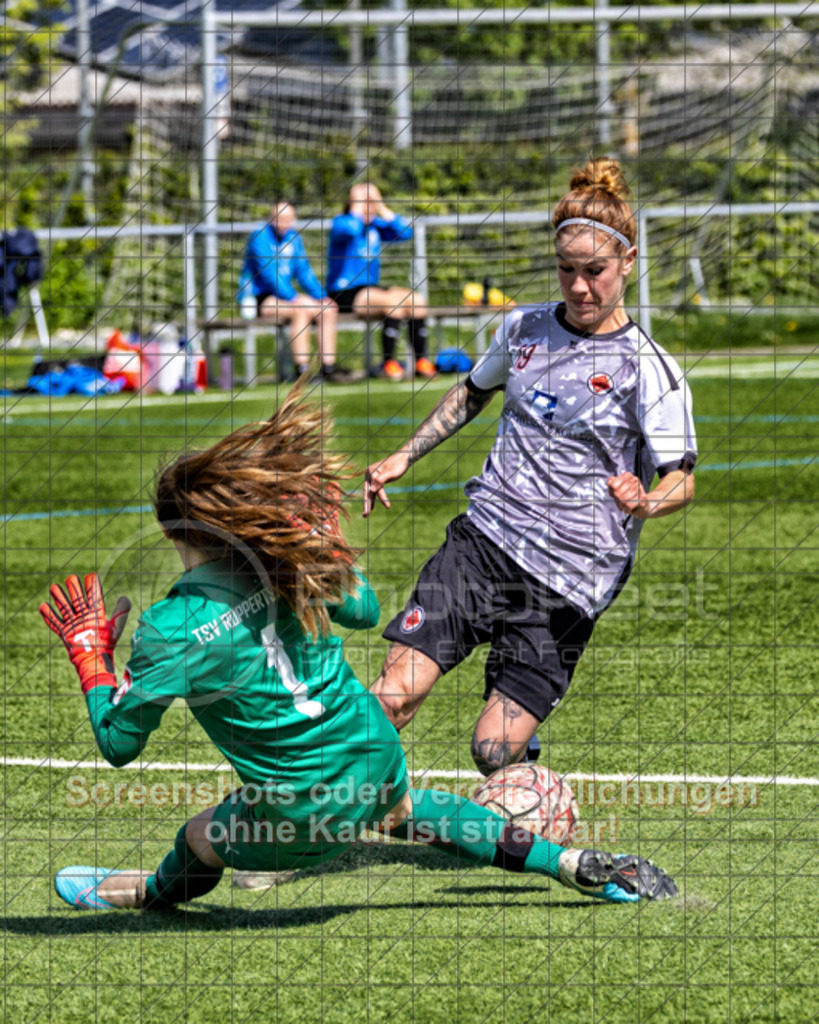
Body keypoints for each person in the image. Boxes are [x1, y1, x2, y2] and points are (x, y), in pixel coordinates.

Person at [41, 382, 676, 912]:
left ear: (174, 532)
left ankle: (141, 894)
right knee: (405, 808)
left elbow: (119, 745)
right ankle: (573, 864)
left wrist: (89, 655)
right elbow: (367, 611)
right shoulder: (285, 562)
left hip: (300, 812)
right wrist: (325, 545)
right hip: (372, 753)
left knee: (201, 836)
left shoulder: (169, 628)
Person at [364, 157, 698, 777]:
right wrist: (402, 455)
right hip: (485, 540)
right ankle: (299, 828)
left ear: (627, 264)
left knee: (492, 749)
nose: (579, 287)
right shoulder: (523, 329)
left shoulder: (650, 369)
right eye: (567, 271)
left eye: (594, 272)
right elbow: (473, 390)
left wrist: (647, 501)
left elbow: (682, 476)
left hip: (572, 578)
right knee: (393, 695)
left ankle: (524, 758)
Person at [239, 201, 363, 383]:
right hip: (257, 298)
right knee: (301, 310)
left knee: (327, 309)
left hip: (283, 296)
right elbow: (269, 274)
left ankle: (328, 368)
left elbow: (304, 272)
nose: (283, 223)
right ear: (271, 219)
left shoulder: (293, 238)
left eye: (288, 219)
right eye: (279, 219)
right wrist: (293, 297)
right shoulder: (260, 237)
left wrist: (322, 296)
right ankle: (302, 371)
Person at [327, 183, 436, 382]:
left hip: (371, 288)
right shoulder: (341, 222)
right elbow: (351, 230)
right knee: (391, 302)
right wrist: (357, 206)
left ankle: (421, 361)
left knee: (417, 301)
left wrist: (381, 205)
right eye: (365, 204)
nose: (369, 208)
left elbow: (405, 232)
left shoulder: (375, 226)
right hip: (344, 291)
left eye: (371, 204)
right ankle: (388, 364)